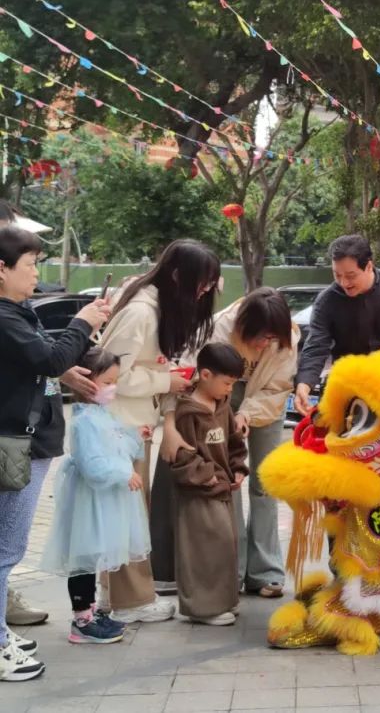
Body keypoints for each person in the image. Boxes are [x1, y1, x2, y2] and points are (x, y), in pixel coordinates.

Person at [0, 227, 109, 681]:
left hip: (27, 440)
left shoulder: (18, 312)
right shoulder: (5, 316)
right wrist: (83, 322)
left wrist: (68, 367)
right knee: (7, 549)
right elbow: (47, 360)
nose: (36, 274)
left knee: (8, 547)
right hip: (15, 443)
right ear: (1, 269)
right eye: (29, 266)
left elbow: (46, 361)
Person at [98, 239, 220, 624]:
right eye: (200, 286)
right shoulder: (141, 314)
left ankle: (113, 595)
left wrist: (164, 381)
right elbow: (110, 377)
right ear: (178, 276)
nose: (202, 294)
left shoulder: (154, 308)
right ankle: (131, 601)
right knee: (129, 512)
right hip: (119, 424)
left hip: (132, 423)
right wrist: (165, 381)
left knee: (128, 510)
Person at [152, 288, 298, 599]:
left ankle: (265, 571)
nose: (263, 344)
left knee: (265, 482)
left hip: (265, 404)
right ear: (243, 326)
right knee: (226, 480)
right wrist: (171, 420)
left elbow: (278, 388)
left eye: (271, 338)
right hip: (218, 400)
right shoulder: (218, 328)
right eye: (259, 337)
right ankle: (230, 568)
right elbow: (188, 375)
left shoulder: (287, 339)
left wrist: (246, 414)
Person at [39, 348, 150, 646]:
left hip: (103, 502)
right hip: (90, 501)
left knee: (95, 555)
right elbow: (93, 465)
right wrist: (122, 473)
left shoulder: (101, 414)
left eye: (116, 380)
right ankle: (82, 621)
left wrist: (134, 435)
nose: (113, 387)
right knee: (84, 559)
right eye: (108, 381)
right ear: (87, 382)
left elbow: (117, 444)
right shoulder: (83, 421)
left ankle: (90, 612)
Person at [293, 235, 380, 415]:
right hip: (349, 389)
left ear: (369, 266)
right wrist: (304, 384)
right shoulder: (327, 300)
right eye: (337, 275)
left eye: (350, 275)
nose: (344, 283)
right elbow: (316, 346)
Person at [171, 343, 248, 626]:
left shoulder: (223, 404)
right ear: (205, 375)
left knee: (226, 544)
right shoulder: (187, 411)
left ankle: (223, 601)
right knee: (203, 548)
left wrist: (238, 469)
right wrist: (208, 477)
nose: (230, 389)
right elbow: (180, 456)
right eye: (227, 383)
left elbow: (234, 442)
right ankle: (203, 608)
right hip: (198, 492)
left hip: (222, 490)